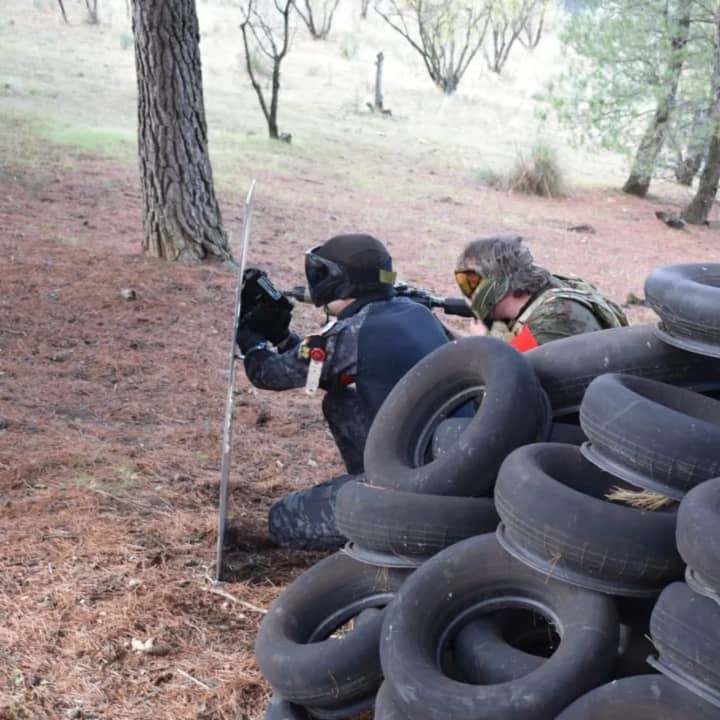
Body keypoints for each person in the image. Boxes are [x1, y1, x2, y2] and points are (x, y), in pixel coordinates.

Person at [236, 233, 449, 549]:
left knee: (281, 519)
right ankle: (371, 483)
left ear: (336, 281)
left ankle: (377, 501)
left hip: (414, 491)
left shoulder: (351, 332)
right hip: (441, 462)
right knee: (340, 401)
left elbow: (269, 375)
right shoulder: (415, 312)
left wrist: (250, 339)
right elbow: (326, 371)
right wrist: (282, 339)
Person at [453, 235, 628, 350]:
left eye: (472, 281)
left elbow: (506, 367)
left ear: (499, 281)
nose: (469, 290)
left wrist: (483, 340)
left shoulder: (555, 316)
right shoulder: (546, 291)